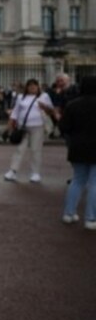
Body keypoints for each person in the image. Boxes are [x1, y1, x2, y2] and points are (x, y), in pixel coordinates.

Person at [59, 76, 96, 230]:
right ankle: (91, 218)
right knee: (94, 183)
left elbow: (64, 127)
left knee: (77, 180)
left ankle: (69, 213)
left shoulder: (72, 105)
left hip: (78, 146)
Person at [3, 79, 57, 184]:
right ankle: (13, 170)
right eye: (30, 86)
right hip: (23, 127)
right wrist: (9, 127)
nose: (32, 88)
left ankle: (35, 173)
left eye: (34, 86)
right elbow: (15, 112)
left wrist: (44, 107)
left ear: (38, 87)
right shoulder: (20, 97)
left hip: (38, 127)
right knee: (19, 149)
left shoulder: (44, 96)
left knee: (35, 150)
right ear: (26, 87)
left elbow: (51, 111)